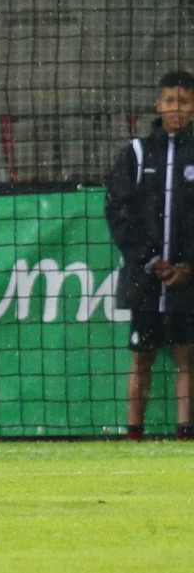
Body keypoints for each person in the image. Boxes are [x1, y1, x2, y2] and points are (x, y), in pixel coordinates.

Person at [104, 70, 194, 441]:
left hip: (187, 280)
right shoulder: (137, 153)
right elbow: (118, 210)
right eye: (170, 101)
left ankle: (185, 431)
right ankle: (134, 433)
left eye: (184, 102)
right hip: (144, 279)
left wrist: (189, 265)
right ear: (158, 105)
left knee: (186, 355)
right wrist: (149, 259)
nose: (176, 108)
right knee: (142, 356)